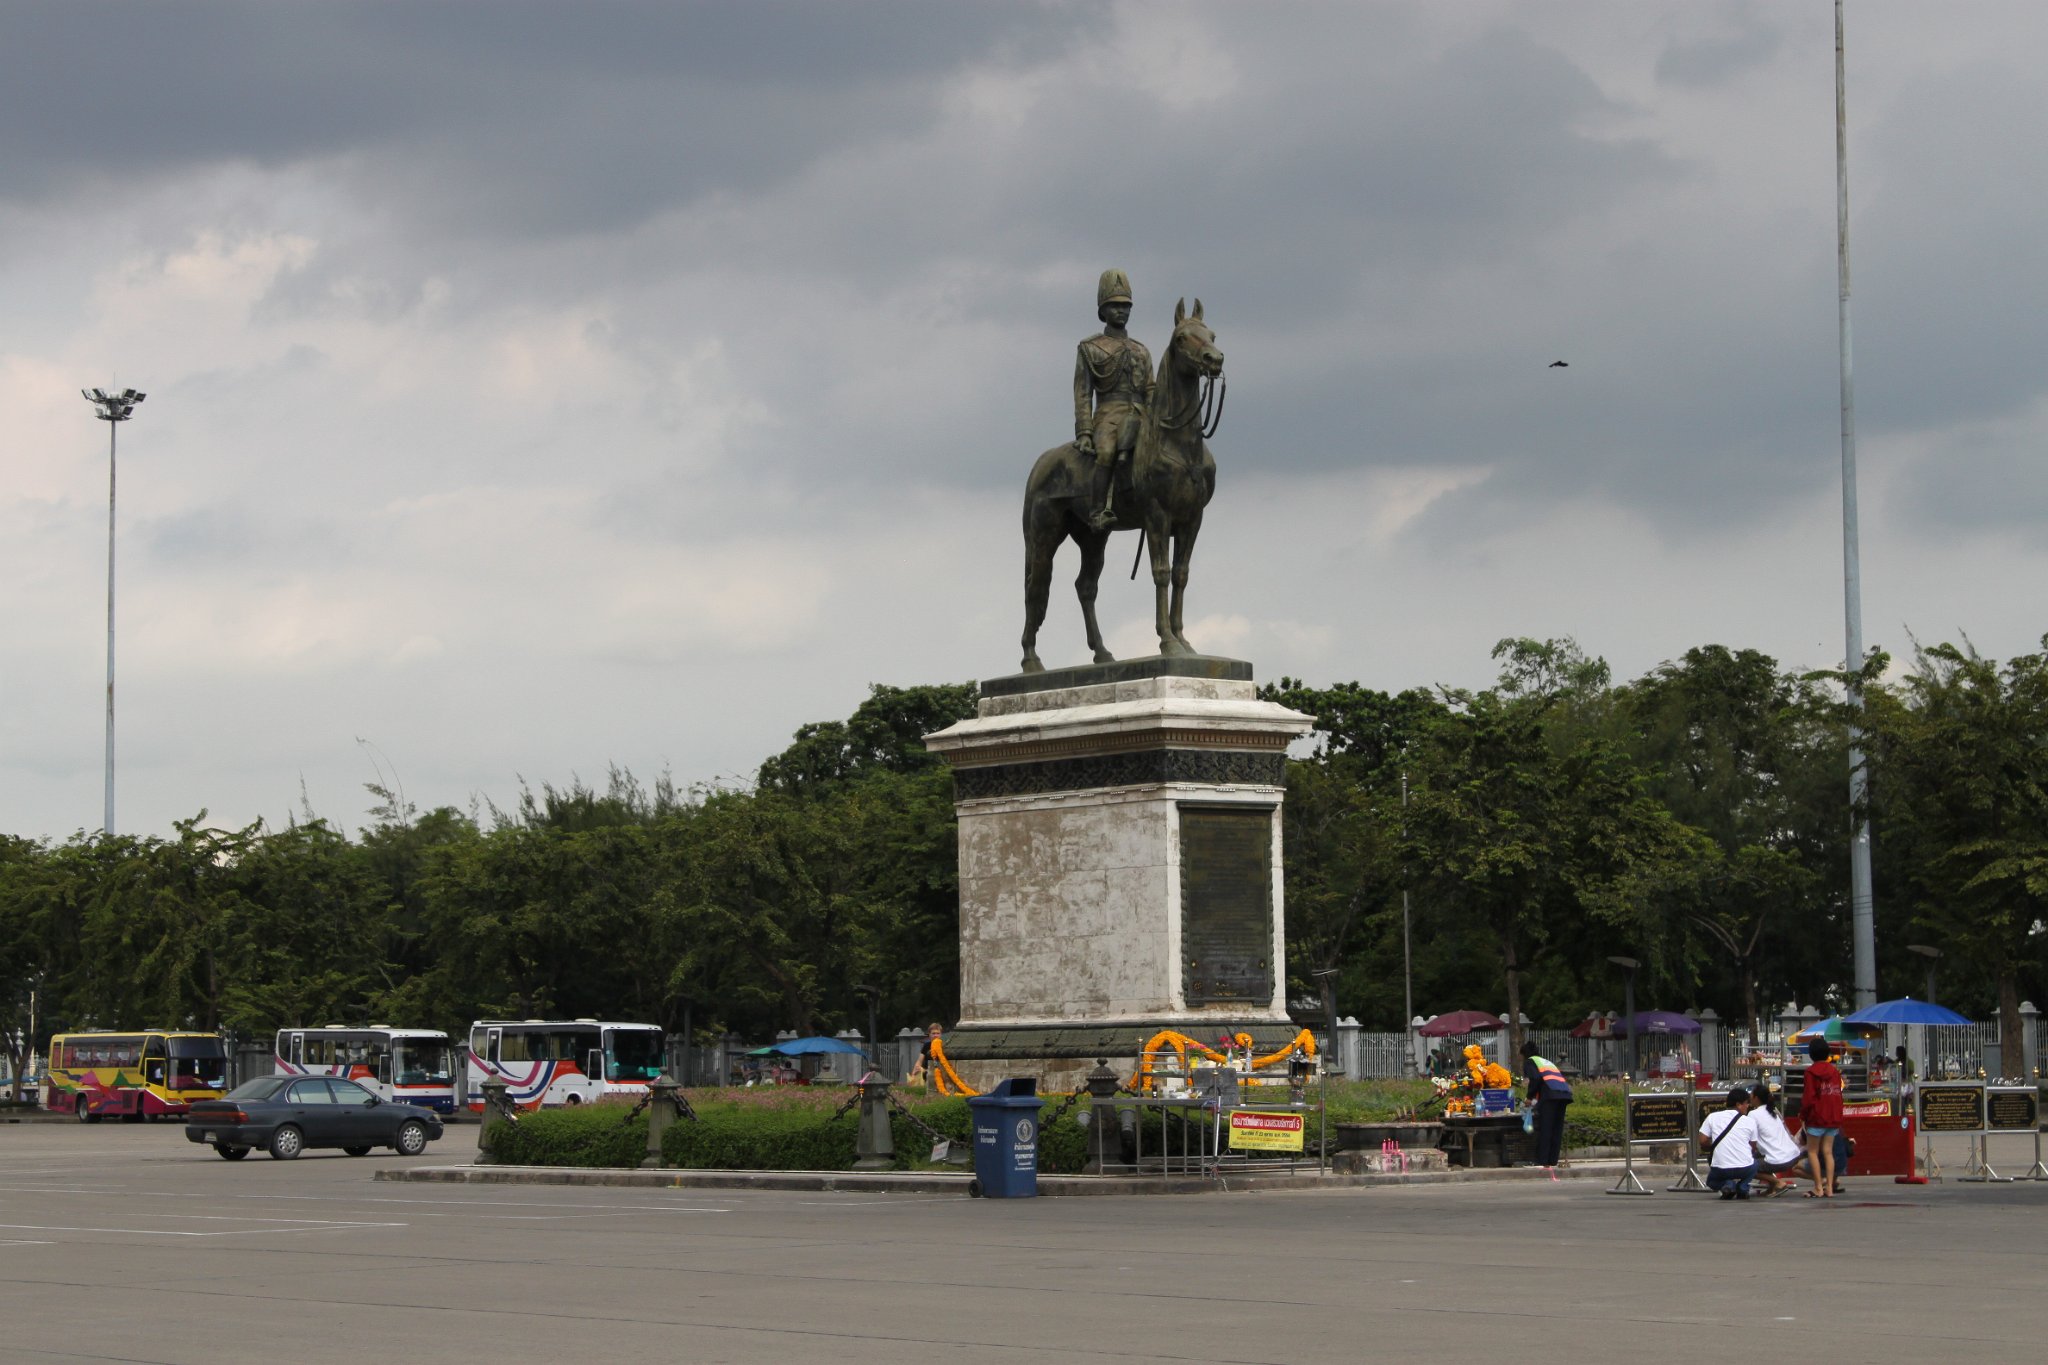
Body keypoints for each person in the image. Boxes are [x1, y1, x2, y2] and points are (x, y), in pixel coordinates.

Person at [1074, 268, 1154, 530]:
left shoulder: (1141, 350)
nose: (1121, 310)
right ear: (1103, 310)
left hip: (1141, 416)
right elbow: (1083, 392)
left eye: (1126, 306)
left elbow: (1150, 388)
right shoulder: (1090, 348)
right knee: (1107, 452)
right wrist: (1085, 432)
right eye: (1115, 305)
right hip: (1109, 416)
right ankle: (1097, 510)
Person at [1799, 1036, 1845, 1198]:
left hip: (1816, 1117)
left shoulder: (1810, 1072)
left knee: (1812, 1151)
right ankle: (1830, 1188)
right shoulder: (1834, 1072)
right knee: (1828, 1152)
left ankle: (1818, 1187)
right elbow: (1838, 1094)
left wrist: (1803, 1115)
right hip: (1832, 1116)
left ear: (1811, 1054)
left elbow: (1809, 1097)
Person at [1699, 1085, 1760, 1200]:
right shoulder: (1750, 1121)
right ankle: (1743, 1187)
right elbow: (1753, 1147)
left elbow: (1702, 1141)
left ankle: (1728, 1185)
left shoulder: (1712, 1117)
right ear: (1738, 1104)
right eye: (1746, 1103)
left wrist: (1715, 1147)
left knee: (1711, 1181)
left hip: (1720, 1168)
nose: (1748, 1106)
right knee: (1755, 1163)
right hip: (1745, 1168)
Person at [1519, 1041, 1573, 1169]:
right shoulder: (1545, 1061)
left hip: (1550, 1096)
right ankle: (1552, 1160)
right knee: (1556, 1128)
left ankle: (1542, 1160)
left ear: (1525, 1054)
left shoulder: (1530, 1061)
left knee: (1546, 1128)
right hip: (1564, 1094)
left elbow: (1535, 1079)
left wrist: (1529, 1097)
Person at [1746, 1083, 1806, 1196]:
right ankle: (1772, 1186)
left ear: (1756, 1098)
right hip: (1793, 1155)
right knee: (1758, 1157)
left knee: (1746, 1166)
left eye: (1751, 1095)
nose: (1750, 1097)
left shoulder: (1753, 1114)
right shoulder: (1773, 1111)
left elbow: (1749, 1137)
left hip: (1779, 1160)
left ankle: (1777, 1182)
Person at [905, 1021, 944, 1088]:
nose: (935, 1035)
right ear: (929, 1034)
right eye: (933, 1033)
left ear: (941, 1035)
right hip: (927, 1073)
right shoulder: (926, 1045)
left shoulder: (944, 1045)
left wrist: (924, 1070)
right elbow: (919, 1061)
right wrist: (913, 1075)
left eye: (938, 1033)